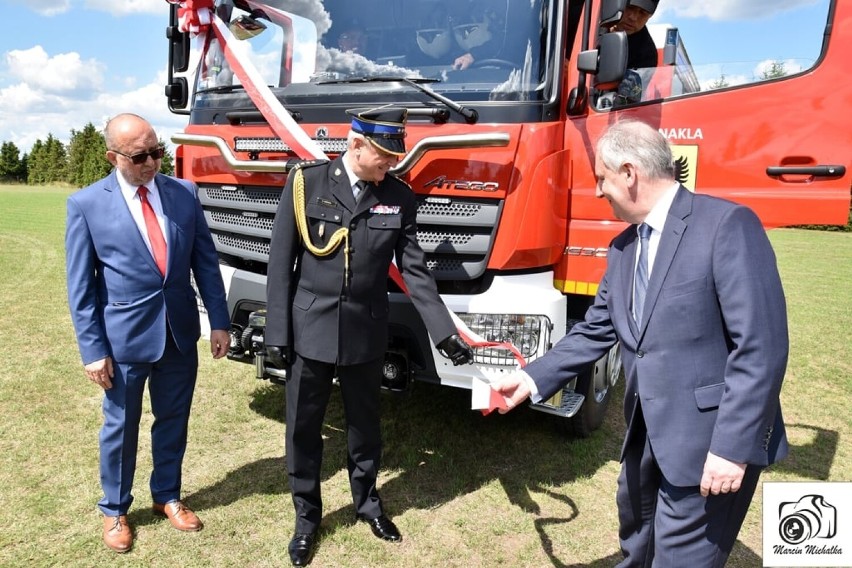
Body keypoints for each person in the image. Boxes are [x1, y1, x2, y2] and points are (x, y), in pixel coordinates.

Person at [495, 120, 789, 567]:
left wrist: (732, 448)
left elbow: (761, 349)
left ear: (629, 172)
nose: (598, 191)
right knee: (637, 542)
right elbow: (596, 330)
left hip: (708, 445)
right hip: (645, 436)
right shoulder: (622, 248)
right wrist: (530, 379)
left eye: (601, 178)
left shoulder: (726, 225)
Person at [264, 106, 473, 566]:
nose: (391, 164)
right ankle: (306, 517)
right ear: (356, 145)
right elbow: (281, 266)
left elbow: (416, 273)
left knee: (364, 426)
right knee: (303, 426)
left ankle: (368, 505)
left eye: (395, 155)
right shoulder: (306, 184)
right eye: (384, 155)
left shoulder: (397, 196)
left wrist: (444, 333)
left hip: (365, 330)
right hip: (309, 328)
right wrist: (277, 333)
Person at [65, 113, 231, 553]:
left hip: (179, 332)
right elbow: (81, 288)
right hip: (123, 340)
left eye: (156, 152)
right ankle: (115, 509)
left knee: (173, 420)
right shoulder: (86, 205)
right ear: (113, 156)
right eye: (140, 156)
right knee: (121, 426)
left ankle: (168, 495)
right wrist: (92, 349)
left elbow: (205, 263)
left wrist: (219, 320)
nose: (152, 163)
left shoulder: (184, 193)